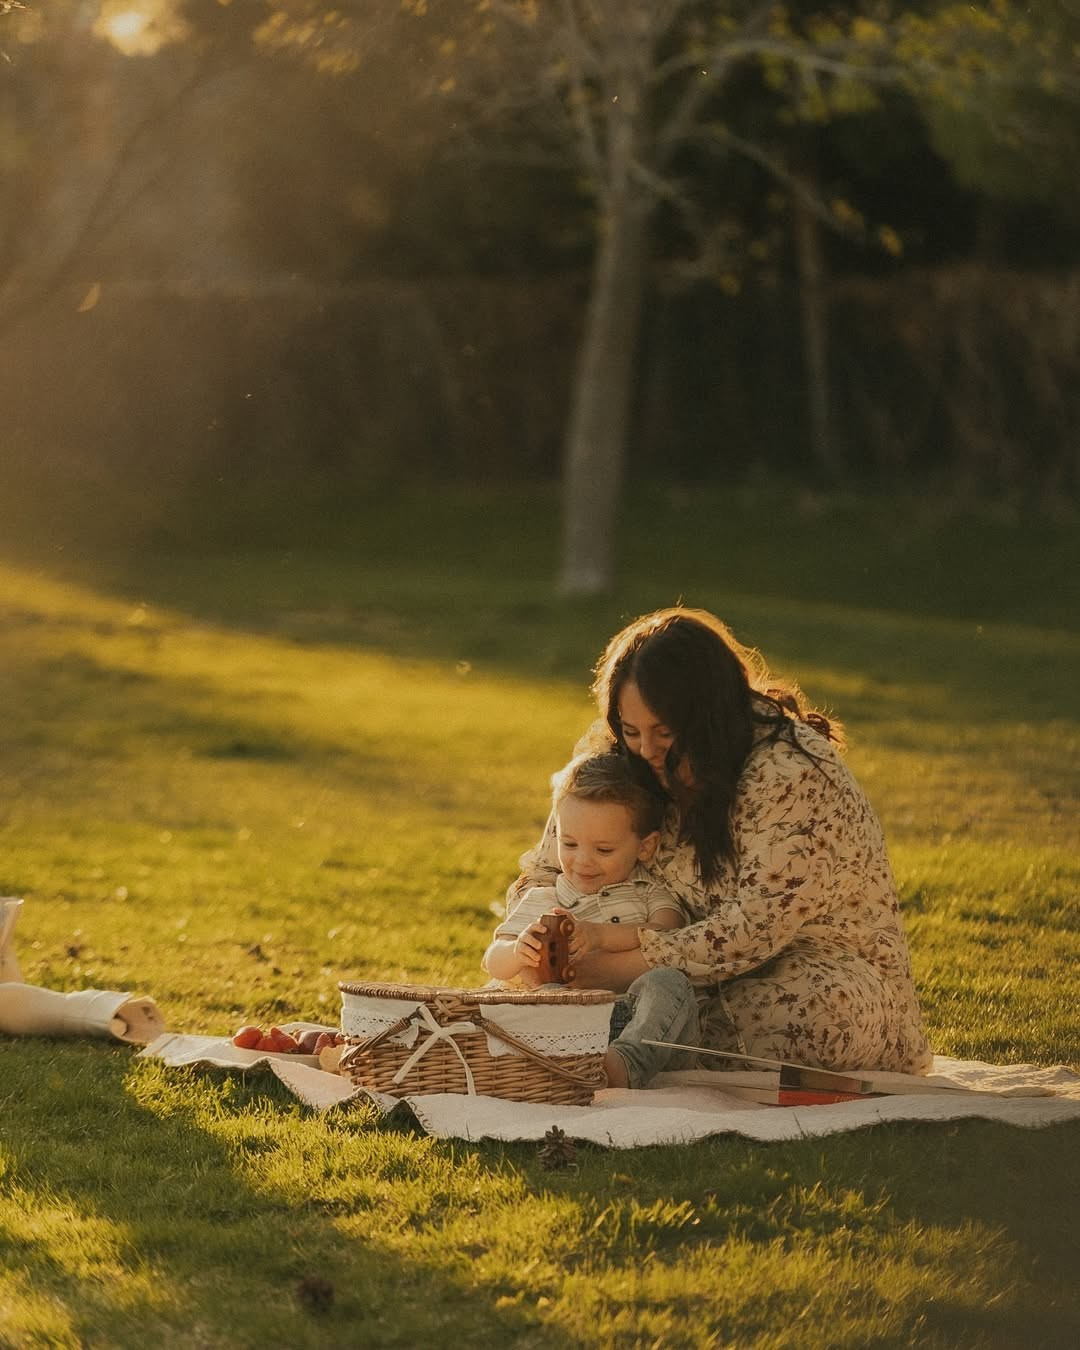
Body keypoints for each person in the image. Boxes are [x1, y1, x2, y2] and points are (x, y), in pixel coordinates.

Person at [508, 607, 933, 1085]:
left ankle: (613, 1042)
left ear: (707, 718)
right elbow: (547, 868)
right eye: (630, 730)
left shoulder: (792, 774)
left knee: (798, 1016)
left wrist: (597, 973)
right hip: (648, 972)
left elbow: (753, 928)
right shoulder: (620, 756)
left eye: (665, 733)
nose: (645, 749)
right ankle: (631, 1040)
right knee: (531, 988)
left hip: (800, 970)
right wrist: (541, 940)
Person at [483, 752, 701, 1088]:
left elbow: (669, 932)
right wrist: (515, 952)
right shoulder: (547, 900)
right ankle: (567, 1063)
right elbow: (493, 961)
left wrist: (600, 937)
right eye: (569, 844)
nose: (582, 861)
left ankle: (623, 1066)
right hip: (570, 1025)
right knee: (546, 994)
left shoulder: (647, 892)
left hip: (636, 1023)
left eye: (603, 850)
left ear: (645, 847)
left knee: (670, 983)